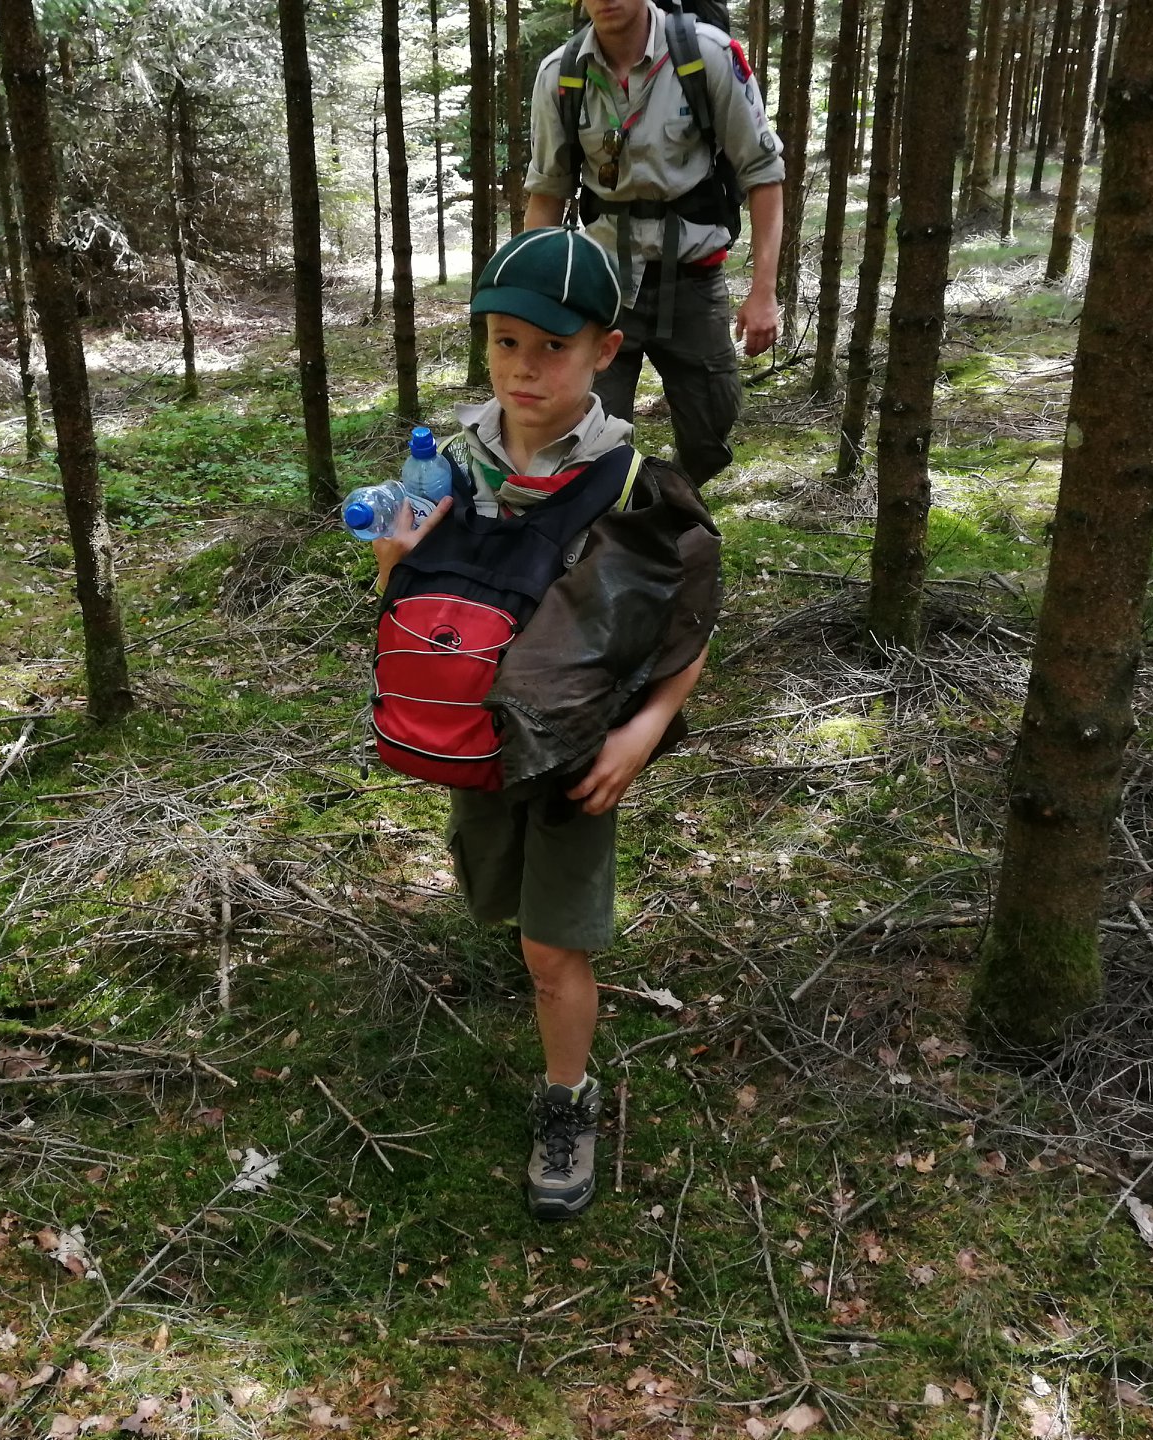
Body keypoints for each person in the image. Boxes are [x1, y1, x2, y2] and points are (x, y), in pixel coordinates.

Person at [372, 227, 721, 1219]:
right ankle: (542, 977)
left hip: (575, 753)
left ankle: (566, 1098)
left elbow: (687, 623)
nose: (526, 368)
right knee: (501, 905)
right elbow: (405, 601)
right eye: (506, 343)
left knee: (550, 947)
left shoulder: (629, 485)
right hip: (479, 744)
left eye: (554, 348)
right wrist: (397, 549)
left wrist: (643, 731)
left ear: (606, 353)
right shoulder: (448, 464)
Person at [523, 0, 785, 487]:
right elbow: (547, 191)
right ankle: (621, 525)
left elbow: (764, 176)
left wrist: (763, 291)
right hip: (601, 287)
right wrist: (527, 298)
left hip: (692, 280)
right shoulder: (560, 74)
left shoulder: (707, 55)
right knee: (592, 439)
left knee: (710, 434)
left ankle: (673, 502)